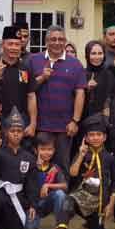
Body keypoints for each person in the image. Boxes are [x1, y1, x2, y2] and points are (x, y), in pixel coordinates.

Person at [50, 114, 115, 229]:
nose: (95, 138)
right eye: (92, 135)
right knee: (68, 202)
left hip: (98, 204)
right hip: (81, 197)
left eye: (99, 135)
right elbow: (73, 173)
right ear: (86, 138)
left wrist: (111, 204)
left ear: (104, 137)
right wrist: (80, 155)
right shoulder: (83, 154)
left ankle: (91, 222)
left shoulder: (109, 158)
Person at [26, 25, 86, 169]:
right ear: (46, 41)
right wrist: (42, 78)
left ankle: (61, 192)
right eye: (53, 39)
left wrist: (75, 121)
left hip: (65, 126)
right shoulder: (34, 60)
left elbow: (80, 93)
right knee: (39, 165)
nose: (57, 42)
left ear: (65, 41)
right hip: (41, 125)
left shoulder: (75, 64)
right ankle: (39, 191)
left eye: (61, 39)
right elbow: (28, 91)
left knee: (62, 165)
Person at [25, 134, 68, 229]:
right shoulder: (30, 165)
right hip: (31, 204)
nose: (46, 152)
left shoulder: (54, 167)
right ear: (36, 150)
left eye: (49, 149)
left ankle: (60, 227)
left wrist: (48, 185)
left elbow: (65, 186)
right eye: (43, 149)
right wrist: (37, 169)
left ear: (54, 150)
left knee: (60, 194)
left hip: (46, 203)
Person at [0, 24, 29, 122]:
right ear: (2, 45)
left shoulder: (24, 69)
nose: (14, 48)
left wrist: (33, 123)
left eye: (17, 44)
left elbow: (30, 96)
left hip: (20, 120)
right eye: (10, 44)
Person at [82, 40, 113, 120]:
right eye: (93, 53)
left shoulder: (109, 74)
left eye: (100, 53)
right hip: (84, 120)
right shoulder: (81, 73)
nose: (97, 57)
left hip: (104, 121)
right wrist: (86, 88)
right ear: (87, 55)